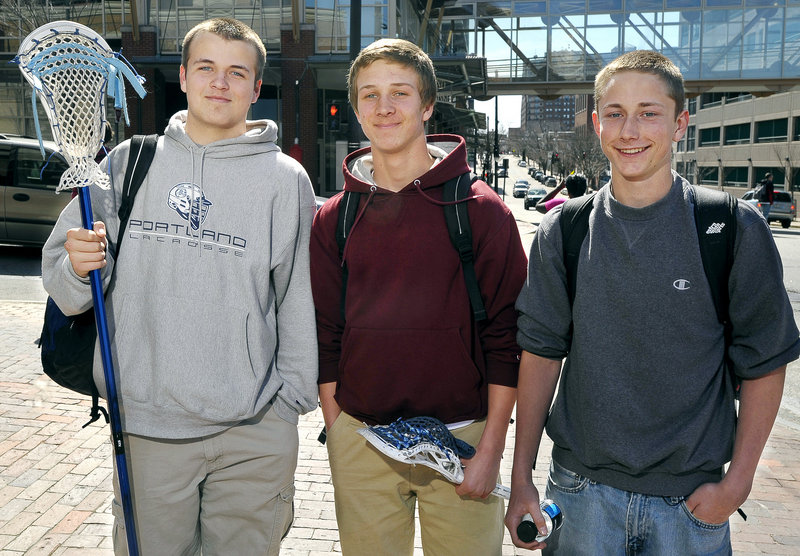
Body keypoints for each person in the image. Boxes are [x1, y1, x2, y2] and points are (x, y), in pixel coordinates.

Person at [41, 17, 318, 555]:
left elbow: (298, 298)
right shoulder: (127, 163)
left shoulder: (286, 181)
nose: (221, 82)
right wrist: (77, 267)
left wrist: (288, 405)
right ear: (185, 78)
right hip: (148, 430)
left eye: (238, 72)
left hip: (254, 432)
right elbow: (68, 288)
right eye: (207, 68)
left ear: (257, 88)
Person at [506, 50, 800, 554]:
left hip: (690, 507)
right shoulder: (565, 231)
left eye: (649, 112)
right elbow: (539, 355)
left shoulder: (732, 229)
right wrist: (521, 479)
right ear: (597, 123)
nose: (630, 129)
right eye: (615, 113)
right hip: (579, 498)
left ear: (680, 123)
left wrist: (738, 483)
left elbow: (765, 364)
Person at [310, 38, 527, 555]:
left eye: (400, 93)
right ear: (357, 108)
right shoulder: (334, 217)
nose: (384, 107)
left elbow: (507, 335)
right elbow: (324, 331)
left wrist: (491, 445)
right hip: (362, 441)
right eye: (369, 95)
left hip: (463, 441)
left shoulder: (480, 210)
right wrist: (337, 425)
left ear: (427, 105)